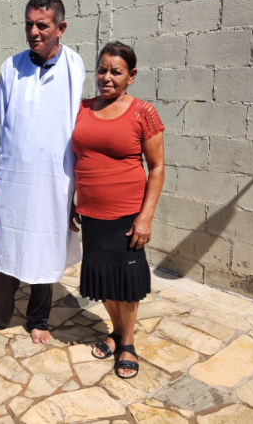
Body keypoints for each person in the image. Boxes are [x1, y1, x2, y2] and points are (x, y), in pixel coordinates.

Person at [0, 0, 85, 344]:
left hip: (56, 176)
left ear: (61, 28)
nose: (34, 32)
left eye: (42, 25)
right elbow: (0, 122)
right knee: (6, 243)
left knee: (46, 244)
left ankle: (39, 319)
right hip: (13, 175)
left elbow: (76, 123)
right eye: (29, 25)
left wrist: (80, 182)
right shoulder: (11, 66)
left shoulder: (74, 65)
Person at [71, 41, 165, 378]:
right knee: (103, 280)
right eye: (102, 70)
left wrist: (146, 217)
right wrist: (70, 202)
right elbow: (70, 159)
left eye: (116, 72)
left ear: (131, 76)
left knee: (126, 282)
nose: (106, 77)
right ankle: (116, 330)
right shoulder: (81, 108)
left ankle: (127, 342)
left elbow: (157, 167)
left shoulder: (143, 112)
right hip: (91, 213)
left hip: (127, 215)